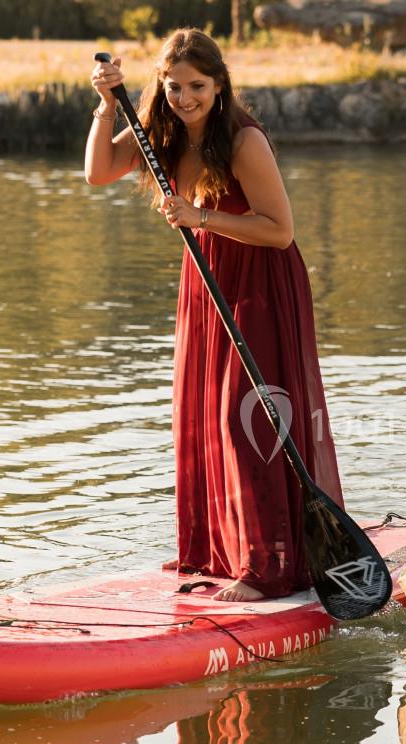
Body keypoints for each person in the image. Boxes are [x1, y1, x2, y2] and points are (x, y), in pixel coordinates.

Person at [84, 29, 342, 602]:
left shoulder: (243, 140)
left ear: (219, 84)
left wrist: (201, 217)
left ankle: (267, 567)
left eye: (196, 86)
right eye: (173, 86)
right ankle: (217, 552)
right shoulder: (163, 130)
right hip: (206, 280)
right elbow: (98, 171)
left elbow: (281, 231)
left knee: (242, 417)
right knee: (201, 413)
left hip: (261, 281)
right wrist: (105, 107)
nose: (184, 97)